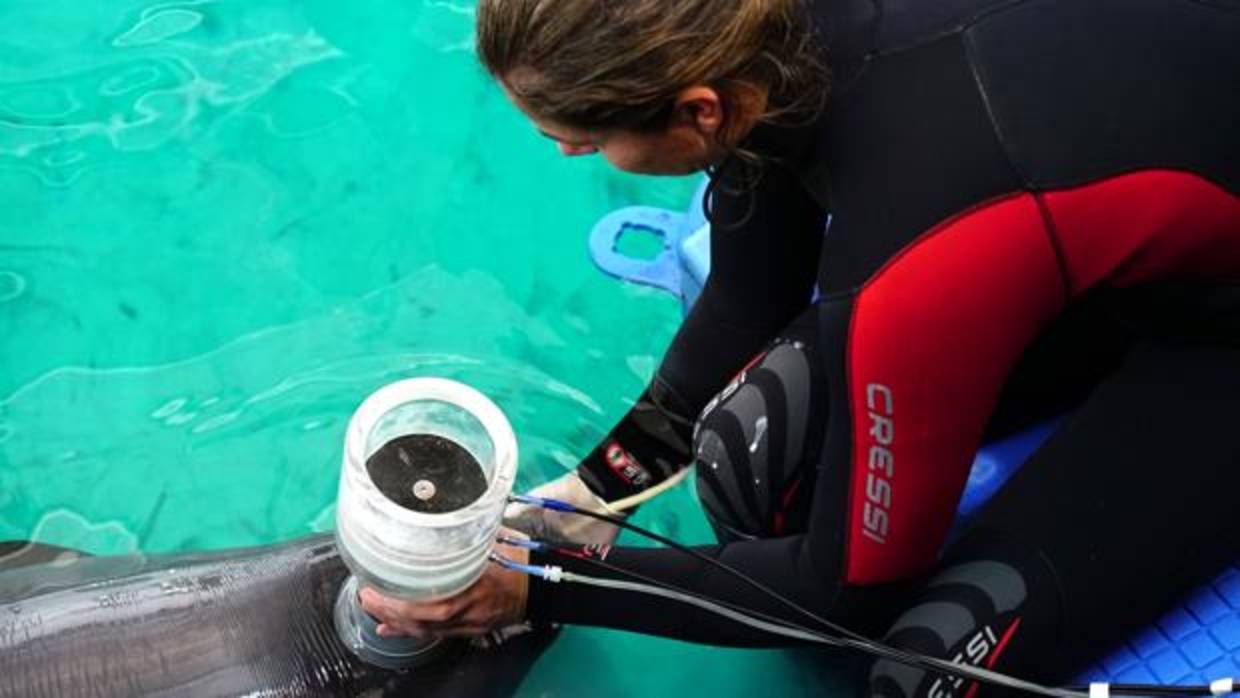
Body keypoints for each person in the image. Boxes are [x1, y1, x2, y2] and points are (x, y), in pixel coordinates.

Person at [360, 0, 1240, 693]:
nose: (562, 151)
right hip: (1122, 228)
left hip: (1211, 338)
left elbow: (846, 593)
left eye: (583, 136)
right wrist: (589, 499)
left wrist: (542, 584)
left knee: (928, 668)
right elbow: (747, 300)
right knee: (748, 444)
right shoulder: (761, 43)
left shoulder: (915, 260)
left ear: (698, 110)